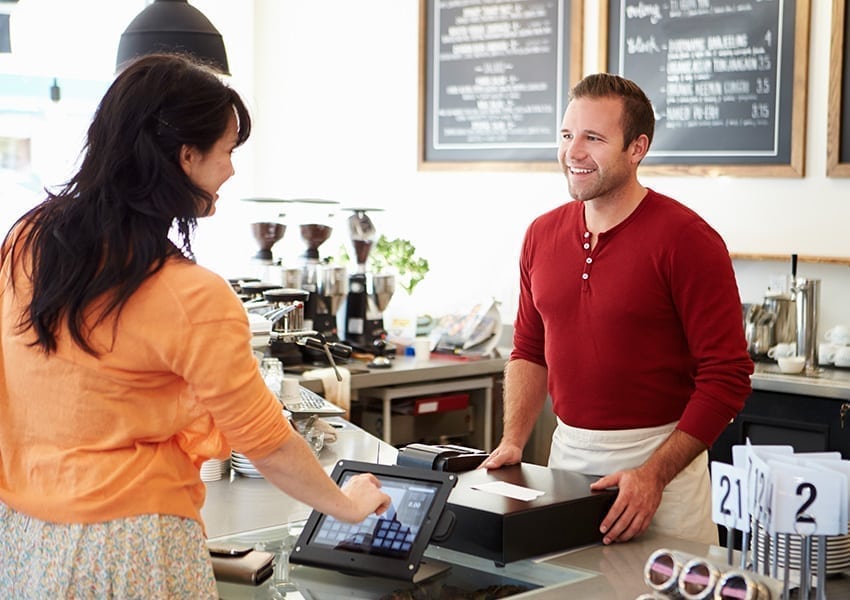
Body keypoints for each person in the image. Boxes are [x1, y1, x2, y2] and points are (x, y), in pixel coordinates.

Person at [0, 53, 390, 598]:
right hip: (132, 546)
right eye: (227, 151)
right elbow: (269, 444)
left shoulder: (28, 240)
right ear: (186, 157)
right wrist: (346, 505)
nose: (231, 168)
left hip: (24, 539)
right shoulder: (191, 294)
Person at [480, 73, 753, 546]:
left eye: (594, 138)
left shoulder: (688, 240)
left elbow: (727, 375)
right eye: (567, 135)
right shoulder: (540, 235)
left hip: (664, 472)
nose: (574, 152)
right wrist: (513, 441)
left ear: (637, 148)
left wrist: (653, 475)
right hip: (566, 464)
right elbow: (528, 350)